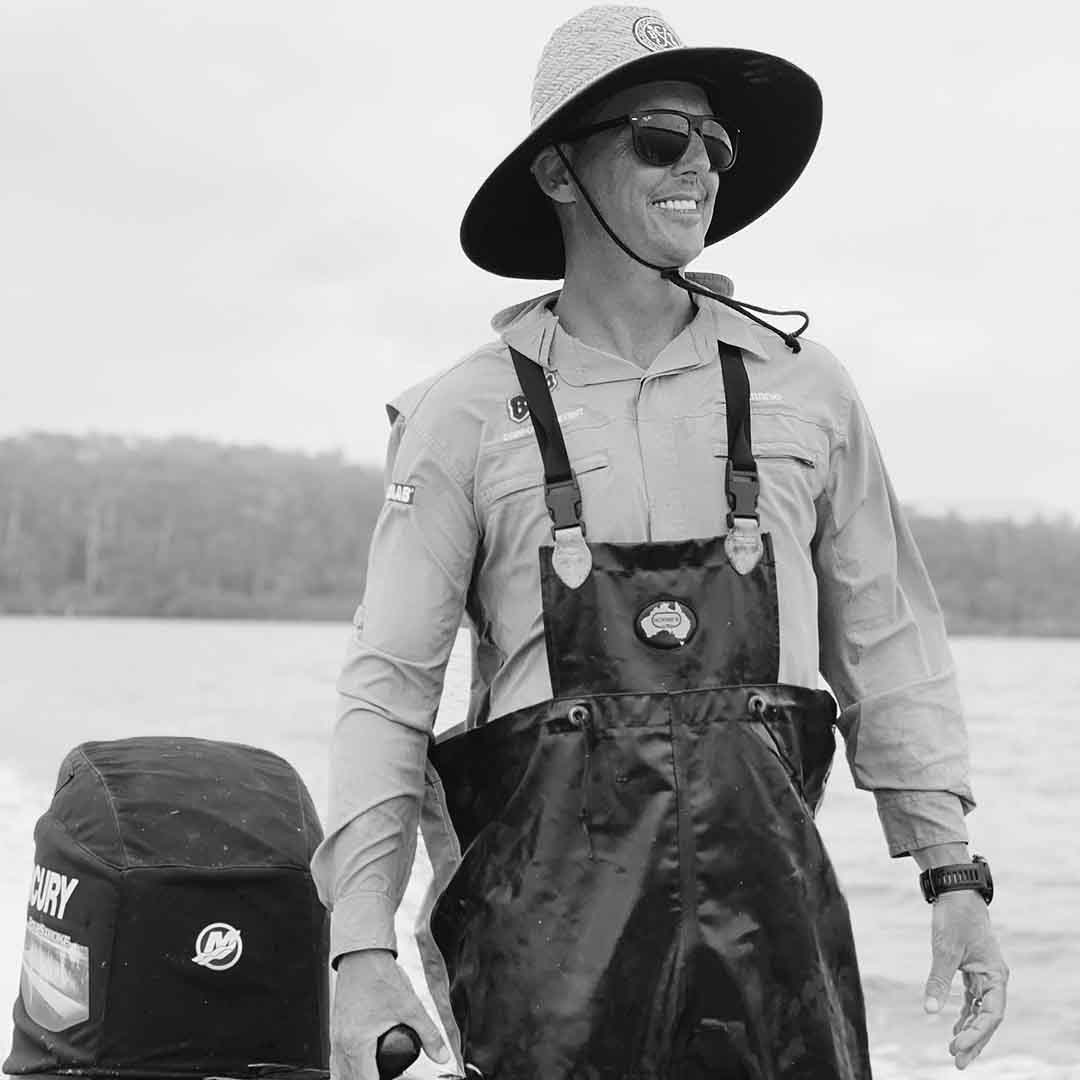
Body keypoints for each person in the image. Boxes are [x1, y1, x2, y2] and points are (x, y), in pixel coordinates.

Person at [313, 6, 1009, 1078]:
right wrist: (357, 944)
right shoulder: (463, 413)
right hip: (543, 953)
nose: (699, 169)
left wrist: (951, 874)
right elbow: (387, 691)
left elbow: (889, 636)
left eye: (714, 146)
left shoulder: (806, 389)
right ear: (557, 173)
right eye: (658, 140)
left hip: (769, 944)